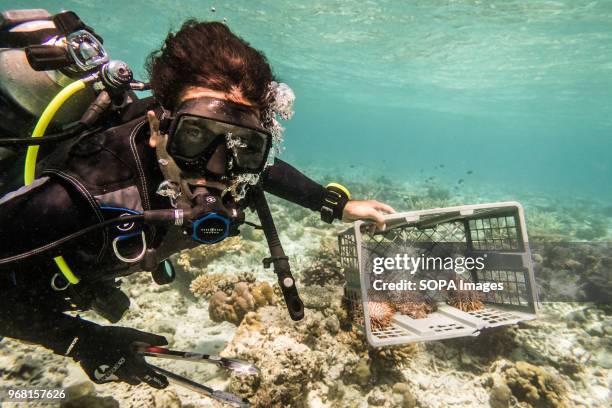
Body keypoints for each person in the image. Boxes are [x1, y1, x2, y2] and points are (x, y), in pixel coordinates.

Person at [0, 19, 394, 389]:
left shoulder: (240, 167)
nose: (218, 166)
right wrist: (79, 340)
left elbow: (265, 170)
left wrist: (335, 204)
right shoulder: (80, 193)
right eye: (195, 136)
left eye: (243, 144)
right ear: (159, 127)